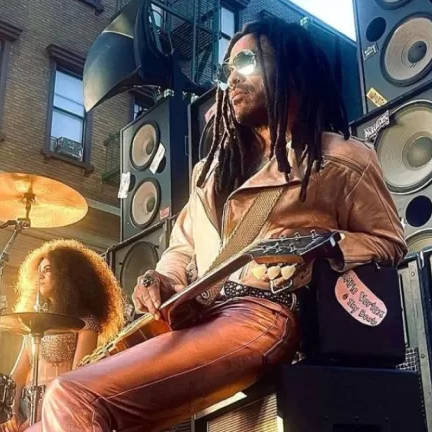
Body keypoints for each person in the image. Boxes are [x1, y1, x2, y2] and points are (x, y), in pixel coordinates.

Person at [28, 17, 407, 432]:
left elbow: (389, 241)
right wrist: (161, 279)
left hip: (263, 314)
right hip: (200, 316)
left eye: (246, 62)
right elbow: (182, 248)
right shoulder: (210, 173)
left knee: (72, 394)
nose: (232, 79)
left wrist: (325, 243)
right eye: (227, 69)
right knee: (44, 419)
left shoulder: (340, 158)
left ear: (290, 70)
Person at [1, 239, 125, 432]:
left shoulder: (86, 323)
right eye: (39, 270)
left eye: (48, 269)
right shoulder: (35, 321)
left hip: (60, 408)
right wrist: (10, 411)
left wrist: (39, 417)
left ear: (66, 275)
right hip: (26, 408)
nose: (41, 275)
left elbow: (74, 381)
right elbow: (18, 375)